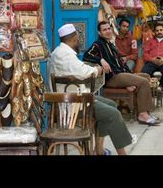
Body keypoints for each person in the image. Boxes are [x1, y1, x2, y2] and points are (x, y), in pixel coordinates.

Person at [49, 24, 132, 155]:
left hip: (77, 97)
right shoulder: (65, 56)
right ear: (74, 39)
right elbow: (83, 72)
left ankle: (98, 149)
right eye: (77, 38)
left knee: (110, 104)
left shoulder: (59, 52)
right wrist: (98, 69)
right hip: (75, 104)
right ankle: (122, 153)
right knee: (113, 114)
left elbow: (78, 68)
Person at [83, 21, 159, 126]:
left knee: (145, 76)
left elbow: (122, 64)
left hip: (121, 75)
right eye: (104, 30)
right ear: (100, 33)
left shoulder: (111, 45)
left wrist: (130, 78)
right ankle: (143, 115)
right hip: (113, 78)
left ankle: (145, 111)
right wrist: (101, 60)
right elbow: (87, 55)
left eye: (109, 29)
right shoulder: (98, 44)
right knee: (143, 82)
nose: (108, 31)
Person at [141, 22, 163, 95]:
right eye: (157, 30)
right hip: (152, 62)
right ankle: (152, 87)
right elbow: (145, 54)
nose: (159, 32)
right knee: (144, 73)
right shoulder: (149, 41)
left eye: (161, 30)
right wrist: (152, 59)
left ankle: (160, 87)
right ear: (154, 32)